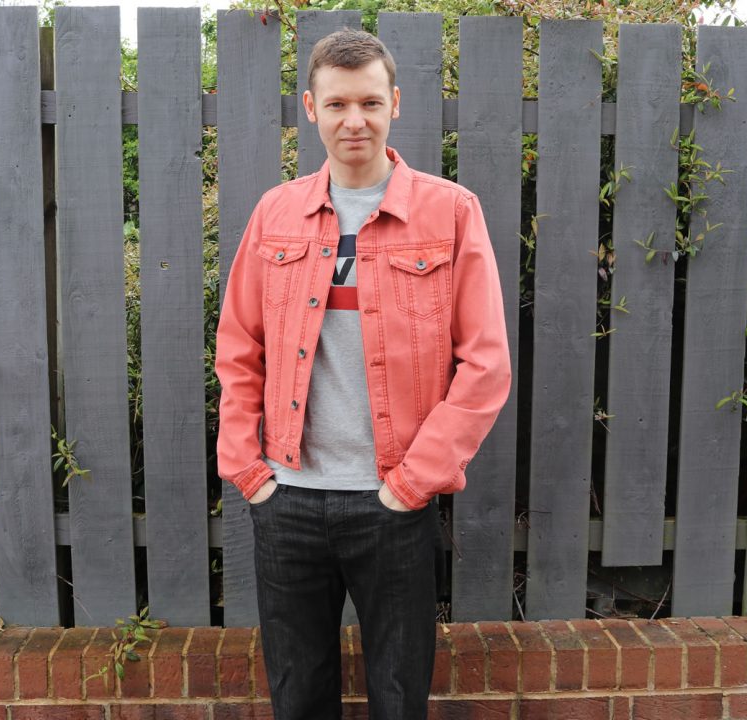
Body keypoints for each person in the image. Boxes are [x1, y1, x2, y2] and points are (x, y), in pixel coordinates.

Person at [214, 28, 511, 720]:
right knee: (298, 698)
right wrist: (248, 470)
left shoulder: (450, 212)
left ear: (396, 104)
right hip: (286, 502)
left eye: (371, 103)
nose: (356, 120)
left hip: (393, 503)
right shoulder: (276, 213)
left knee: (400, 698)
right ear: (311, 110)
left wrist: (412, 484)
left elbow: (486, 363)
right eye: (339, 104)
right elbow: (238, 347)